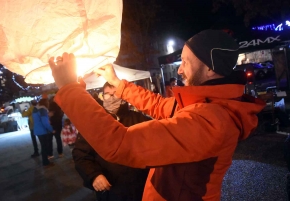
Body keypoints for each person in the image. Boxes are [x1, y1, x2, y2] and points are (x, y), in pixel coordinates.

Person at [49, 29, 265, 201]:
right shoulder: (206, 105)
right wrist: (119, 85)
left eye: (186, 62)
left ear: (210, 69)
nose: (179, 70)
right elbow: (160, 106)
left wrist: (69, 89)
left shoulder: (211, 121)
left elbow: (121, 144)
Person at [73, 82, 151, 201]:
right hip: (111, 189)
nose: (110, 98)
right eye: (107, 94)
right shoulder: (93, 123)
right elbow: (81, 154)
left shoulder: (139, 119)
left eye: (114, 94)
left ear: (123, 96)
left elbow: (156, 145)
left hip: (142, 185)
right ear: (102, 96)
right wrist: (94, 175)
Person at [32, 98, 54, 167]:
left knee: (43, 146)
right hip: (43, 131)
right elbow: (45, 122)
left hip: (37, 130)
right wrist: (51, 129)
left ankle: (45, 161)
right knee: (44, 147)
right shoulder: (42, 110)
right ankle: (45, 162)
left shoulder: (35, 109)